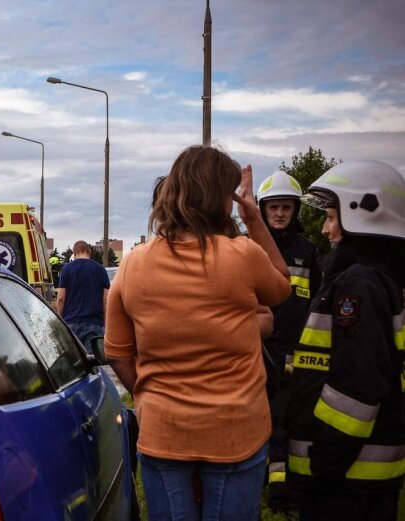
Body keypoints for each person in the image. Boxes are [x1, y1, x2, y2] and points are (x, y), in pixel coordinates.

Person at [105, 145, 292, 520]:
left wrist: (147, 394)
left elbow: (118, 353)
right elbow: (282, 286)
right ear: (222, 198)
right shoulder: (242, 254)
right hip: (235, 430)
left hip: (163, 429)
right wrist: (254, 220)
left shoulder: (134, 264)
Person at [286, 160, 405, 521]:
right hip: (354, 474)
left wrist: (327, 457)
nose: (324, 229)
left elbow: (360, 381)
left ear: (361, 215)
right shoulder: (372, 278)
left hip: (345, 477)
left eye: (331, 217)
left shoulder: (360, 284)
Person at [256, 171, 322, 516]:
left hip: (295, 349)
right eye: (273, 207)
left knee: (290, 417)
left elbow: (317, 302)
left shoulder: (307, 250)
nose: (279, 213)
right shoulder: (252, 247)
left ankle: (284, 489)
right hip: (260, 346)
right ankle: (266, 481)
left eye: (285, 207)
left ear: (294, 210)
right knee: (262, 415)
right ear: (263, 210)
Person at [55, 240, 110, 352]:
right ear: (89, 252)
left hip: (71, 324)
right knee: (93, 364)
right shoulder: (101, 270)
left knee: (73, 364)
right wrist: (105, 325)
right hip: (95, 325)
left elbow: (60, 299)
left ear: (74, 253)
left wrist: (59, 322)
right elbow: (106, 300)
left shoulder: (67, 269)